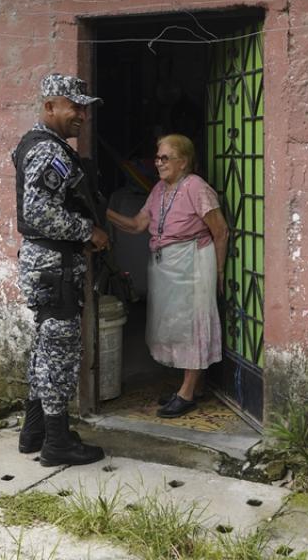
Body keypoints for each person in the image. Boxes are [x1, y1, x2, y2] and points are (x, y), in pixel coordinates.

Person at [12, 73, 110, 466]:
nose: (82, 115)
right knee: (59, 353)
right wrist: (88, 231)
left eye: (85, 108)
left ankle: (35, 431)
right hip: (55, 265)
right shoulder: (48, 151)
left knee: (45, 347)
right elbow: (38, 212)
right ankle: (56, 444)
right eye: (74, 106)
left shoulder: (37, 143)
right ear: (50, 106)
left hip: (48, 263)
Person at [106, 134, 228, 419]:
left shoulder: (196, 187)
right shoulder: (159, 189)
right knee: (174, 324)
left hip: (193, 261)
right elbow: (137, 225)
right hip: (167, 265)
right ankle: (194, 387)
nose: (158, 163)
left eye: (165, 158)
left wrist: (220, 271)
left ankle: (186, 393)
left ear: (183, 162)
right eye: (157, 158)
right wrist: (103, 212)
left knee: (192, 323)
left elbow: (220, 231)